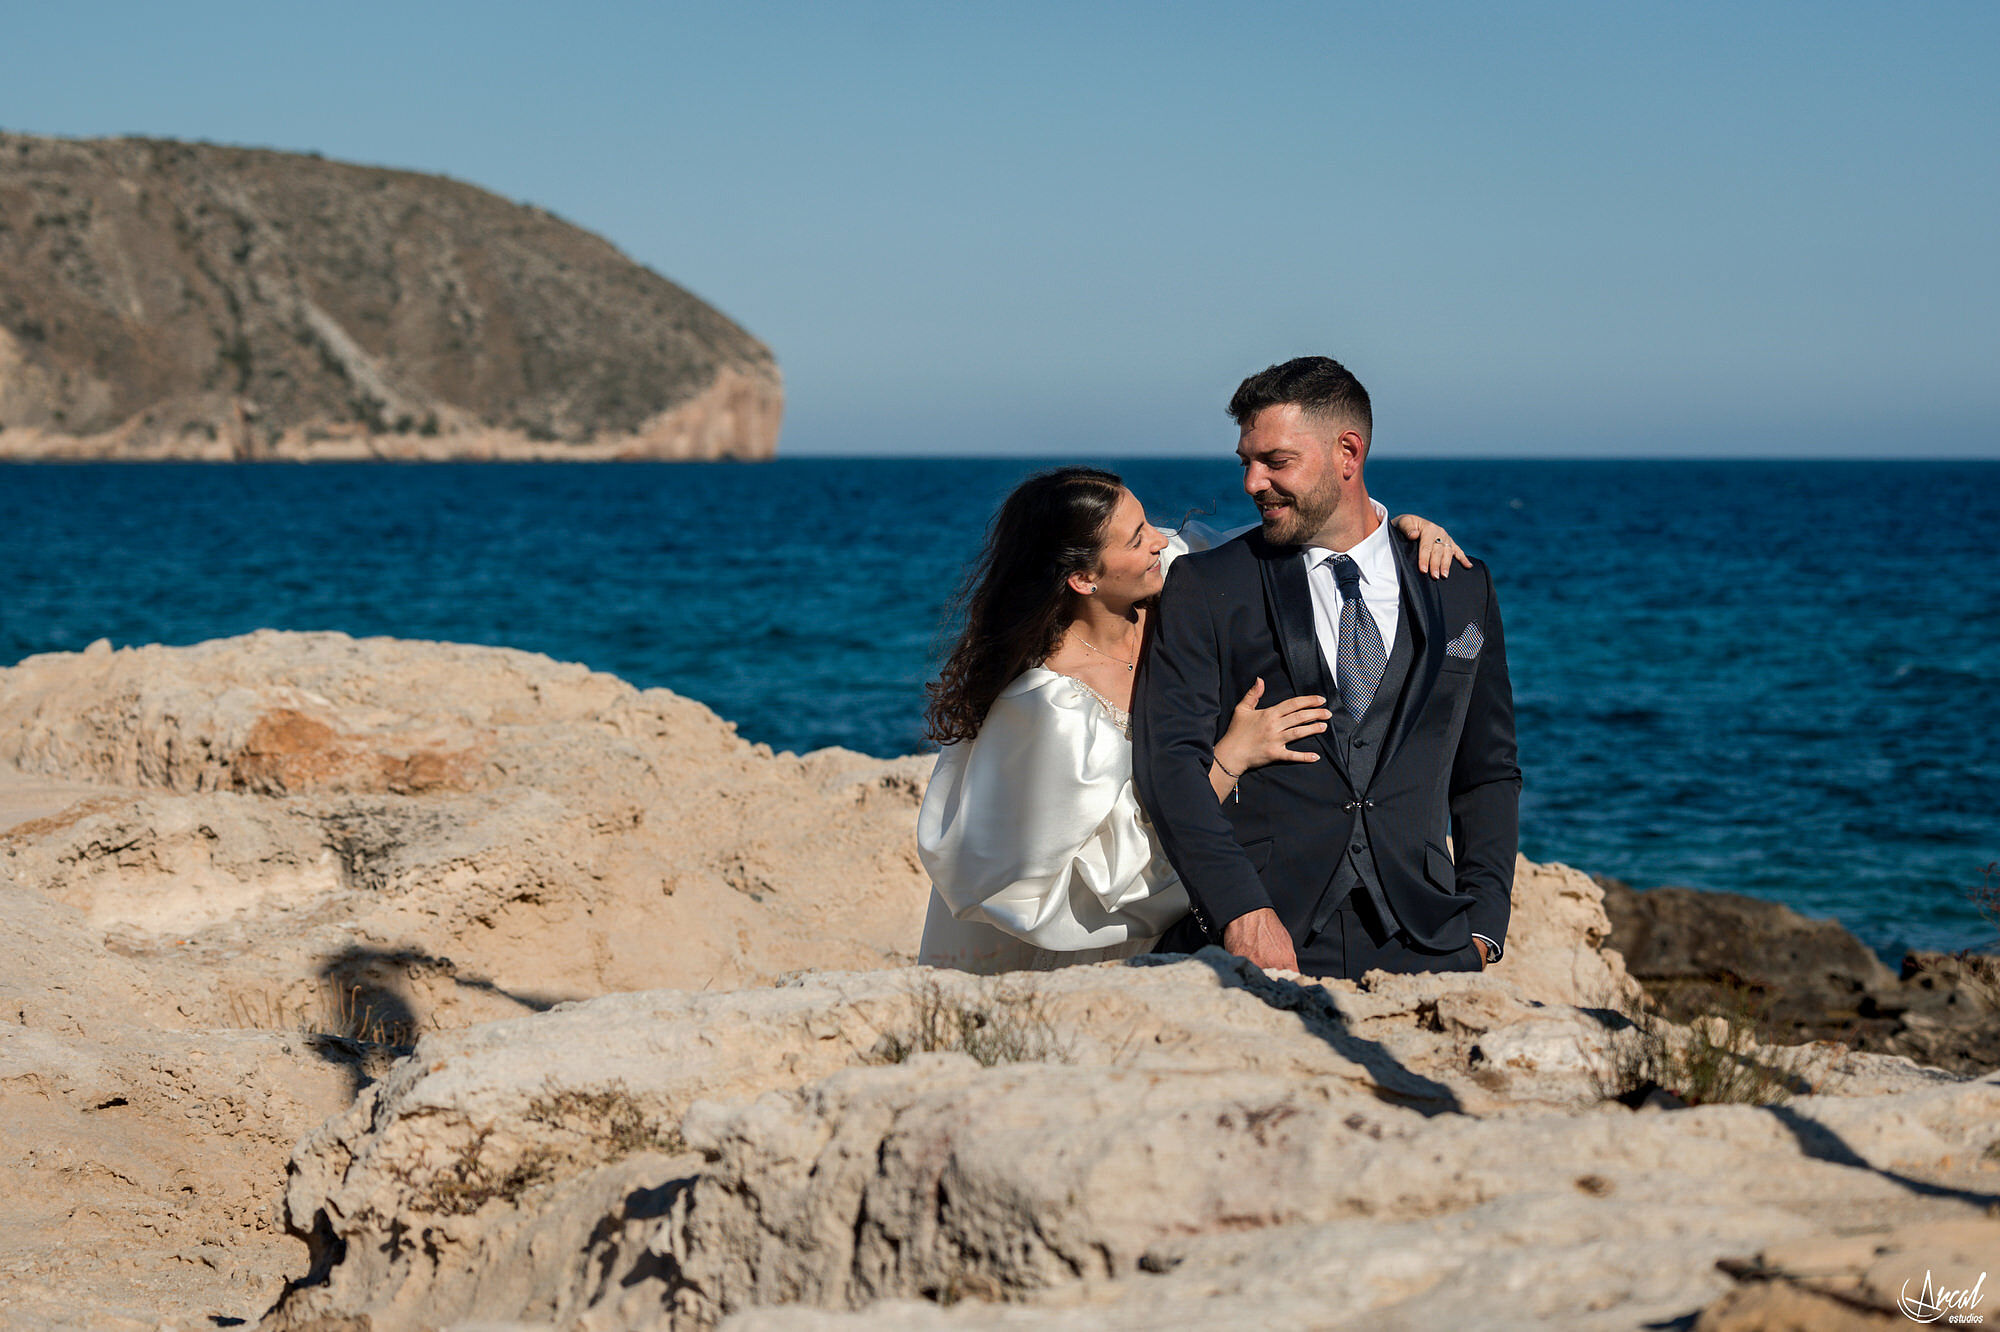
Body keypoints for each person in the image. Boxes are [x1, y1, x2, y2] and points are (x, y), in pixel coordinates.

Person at [917, 465, 1467, 974]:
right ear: (1084, 579)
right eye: (1135, 539)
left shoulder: (1172, 575)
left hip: (1196, 910)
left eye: (1147, 521)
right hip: (1100, 951)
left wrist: (1394, 530)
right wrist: (1230, 758)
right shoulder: (1047, 709)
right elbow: (1088, 880)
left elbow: (1298, 538)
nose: (1159, 539)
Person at [1134, 356, 1520, 979]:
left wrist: (1483, 928)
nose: (1252, 483)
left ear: (1348, 452)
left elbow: (1488, 771)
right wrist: (1239, 911)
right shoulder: (1207, 584)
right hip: (1265, 937)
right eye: (1246, 463)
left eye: (1276, 462)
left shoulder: (1459, 587)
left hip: (1429, 941)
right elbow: (1167, 764)